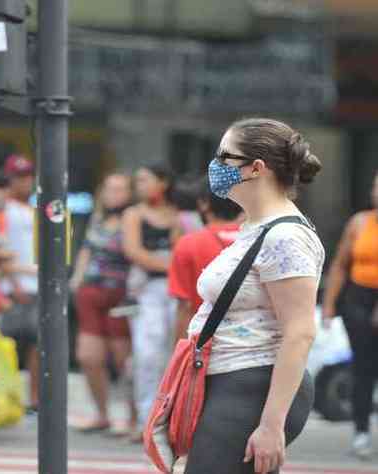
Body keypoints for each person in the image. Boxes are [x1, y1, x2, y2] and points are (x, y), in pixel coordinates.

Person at [183, 118, 325, 473]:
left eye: (224, 157)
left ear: (256, 168)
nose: (215, 166)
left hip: (251, 385)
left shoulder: (285, 237)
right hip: (233, 382)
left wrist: (271, 425)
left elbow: (300, 331)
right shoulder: (256, 227)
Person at [69, 172, 136, 434]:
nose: (113, 195)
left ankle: (133, 416)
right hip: (91, 291)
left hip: (121, 294)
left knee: (124, 360)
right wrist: (76, 280)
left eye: (120, 189)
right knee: (87, 356)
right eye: (109, 189)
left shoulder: (134, 218)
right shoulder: (97, 218)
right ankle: (102, 412)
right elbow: (86, 249)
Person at [322, 169, 378, 459]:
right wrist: (329, 306)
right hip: (358, 298)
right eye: (375, 186)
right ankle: (360, 432)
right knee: (363, 367)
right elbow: (340, 265)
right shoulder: (359, 223)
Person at [122, 162, 178, 440]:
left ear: (163, 183)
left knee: (172, 353)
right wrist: (169, 266)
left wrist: (174, 269)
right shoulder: (133, 214)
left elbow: (182, 247)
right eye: (138, 181)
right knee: (146, 354)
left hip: (176, 289)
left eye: (145, 180)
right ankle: (146, 417)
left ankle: (170, 417)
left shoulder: (177, 214)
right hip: (146, 289)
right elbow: (132, 251)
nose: (139, 186)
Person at [168, 176, 243, 343]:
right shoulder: (261, 239)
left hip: (205, 346)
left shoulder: (188, 244)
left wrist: (180, 357)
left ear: (203, 203)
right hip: (255, 347)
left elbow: (185, 308)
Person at [0, 154, 40, 413]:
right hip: (9, 287)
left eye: (28, 176)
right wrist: (14, 282)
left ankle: (33, 399)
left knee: (38, 345)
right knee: (6, 345)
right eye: (19, 177)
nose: (25, 182)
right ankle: (4, 397)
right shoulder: (1, 211)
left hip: (38, 286)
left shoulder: (41, 210)